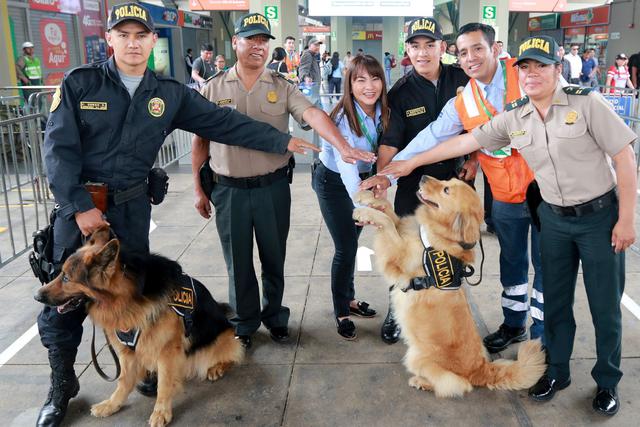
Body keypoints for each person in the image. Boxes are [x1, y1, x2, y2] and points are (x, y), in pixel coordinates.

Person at [35, 4, 320, 427]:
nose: (133, 43)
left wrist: (282, 142)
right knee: (66, 296)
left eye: (141, 35)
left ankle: (143, 364)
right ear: (110, 40)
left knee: (134, 299)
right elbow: (57, 153)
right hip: (80, 210)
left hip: (130, 213)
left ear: (153, 41)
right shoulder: (81, 84)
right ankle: (62, 384)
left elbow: (224, 123)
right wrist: (80, 207)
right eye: (124, 35)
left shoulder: (168, 93)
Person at [379, 35, 637, 417]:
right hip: (549, 217)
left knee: (604, 306)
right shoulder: (516, 115)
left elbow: (624, 156)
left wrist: (627, 219)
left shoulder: (587, 102)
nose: (532, 74)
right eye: (527, 68)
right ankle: (557, 372)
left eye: (541, 66)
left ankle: (607, 381)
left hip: (598, 218)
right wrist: (404, 165)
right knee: (557, 303)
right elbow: (459, 140)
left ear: (556, 68)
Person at [191, 13, 375, 351]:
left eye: (264, 40)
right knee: (238, 264)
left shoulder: (281, 86)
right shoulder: (213, 87)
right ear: (236, 43)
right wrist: (198, 188)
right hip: (228, 190)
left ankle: (275, 317)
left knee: (274, 259)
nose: (258, 46)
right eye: (251, 39)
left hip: (272, 189)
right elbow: (200, 142)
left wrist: (343, 145)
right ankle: (244, 323)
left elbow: (313, 114)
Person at [365, 23, 544, 353]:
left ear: (494, 48)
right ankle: (513, 324)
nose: (471, 58)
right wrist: (389, 173)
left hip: (541, 191)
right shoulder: (442, 96)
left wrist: (473, 159)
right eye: (465, 52)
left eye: (477, 49)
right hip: (475, 190)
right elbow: (431, 137)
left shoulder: (523, 75)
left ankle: (543, 342)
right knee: (511, 263)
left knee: (544, 269)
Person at [360, 17, 469, 345]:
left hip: (455, 183)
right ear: (406, 50)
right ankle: (398, 309)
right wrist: (382, 179)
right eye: (415, 46)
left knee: (451, 252)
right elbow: (390, 143)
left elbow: (482, 126)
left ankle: (444, 313)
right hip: (413, 185)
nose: (422, 52)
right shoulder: (401, 92)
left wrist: (475, 160)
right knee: (408, 250)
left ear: (443, 48)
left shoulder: (463, 78)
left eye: (430, 45)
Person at [312, 54, 389, 339]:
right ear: (349, 84)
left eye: (374, 78)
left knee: (353, 246)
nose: (369, 86)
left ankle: (350, 298)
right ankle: (342, 309)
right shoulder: (341, 117)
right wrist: (362, 206)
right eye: (360, 80)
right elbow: (346, 168)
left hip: (363, 181)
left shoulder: (383, 110)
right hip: (333, 183)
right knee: (345, 248)